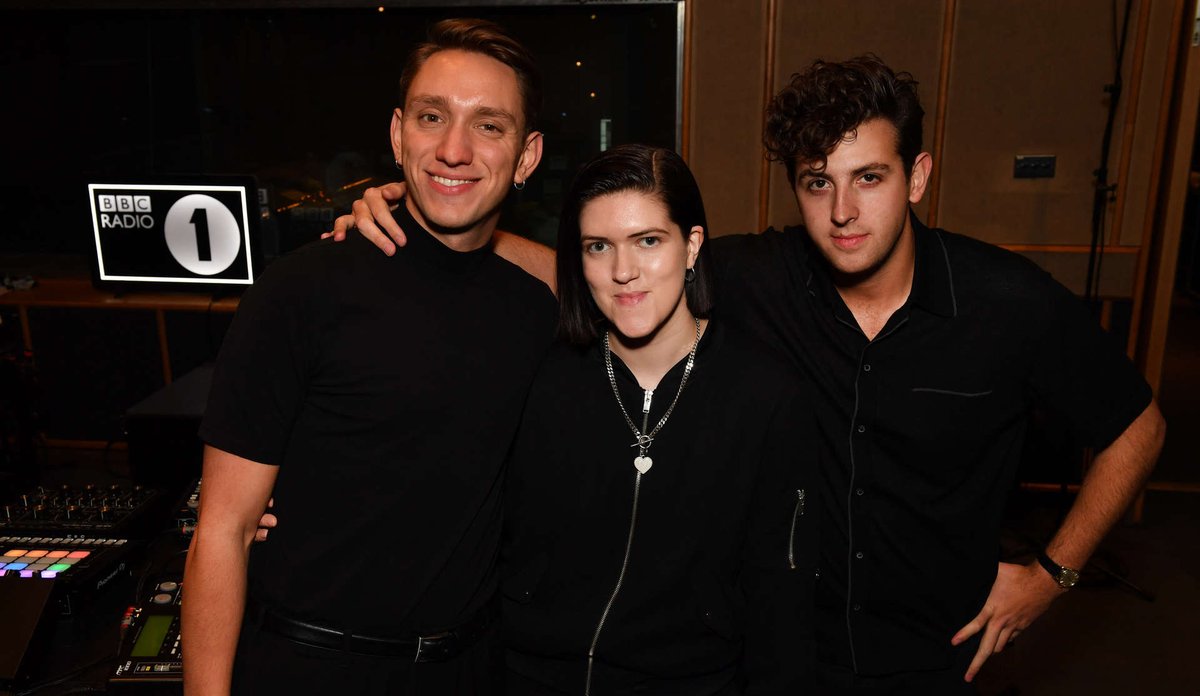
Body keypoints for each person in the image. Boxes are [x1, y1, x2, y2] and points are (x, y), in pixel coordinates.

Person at [334, 55, 1166, 694]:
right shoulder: (760, 276)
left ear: (916, 177)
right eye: (818, 183)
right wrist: (426, 225)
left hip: (936, 657)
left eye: (869, 178)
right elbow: (616, 267)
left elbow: (1138, 428)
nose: (843, 211)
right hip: (786, 654)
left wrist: (1052, 575)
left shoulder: (1006, 300)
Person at [182, 19, 554, 696]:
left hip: (471, 669)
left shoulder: (536, 308)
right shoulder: (302, 291)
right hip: (308, 669)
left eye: (488, 126)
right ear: (397, 133)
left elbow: (617, 282)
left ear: (526, 156)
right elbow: (223, 531)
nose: (454, 149)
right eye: (432, 117)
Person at [500, 144, 815, 695]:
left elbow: (778, 592)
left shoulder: (764, 393)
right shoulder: (544, 374)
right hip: (529, 676)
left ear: (691, 246)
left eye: (648, 241)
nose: (623, 272)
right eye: (599, 246)